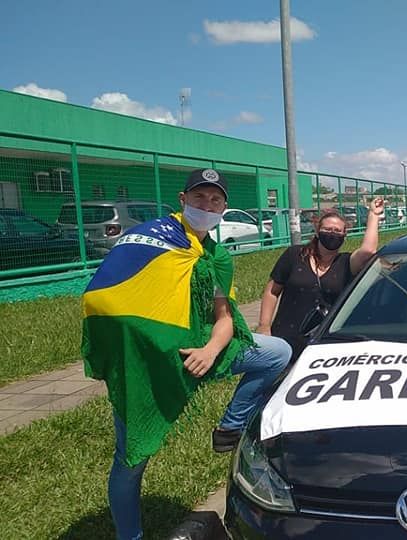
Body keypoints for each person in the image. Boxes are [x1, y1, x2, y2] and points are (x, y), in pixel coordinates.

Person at [81, 169, 293, 540]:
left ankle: (230, 427)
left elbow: (224, 318)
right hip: (143, 360)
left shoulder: (215, 257)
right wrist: (148, 343)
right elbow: (104, 296)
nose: (206, 206)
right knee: (131, 459)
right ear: (182, 200)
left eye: (215, 200)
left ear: (224, 208)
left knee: (277, 352)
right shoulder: (146, 239)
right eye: (200, 198)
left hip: (196, 352)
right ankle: (128, 536)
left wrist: (211, 350)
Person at [258, 198, 384, 360]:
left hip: (325, 343)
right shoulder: (294, 255)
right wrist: (264, 326)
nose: (332, 234)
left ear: (345, 235)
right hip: (285, 339)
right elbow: (272, 291)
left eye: (337, 231)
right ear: (317, 232)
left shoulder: (346, 263)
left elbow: (368, 250)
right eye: (327, 229)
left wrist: (373, 215)